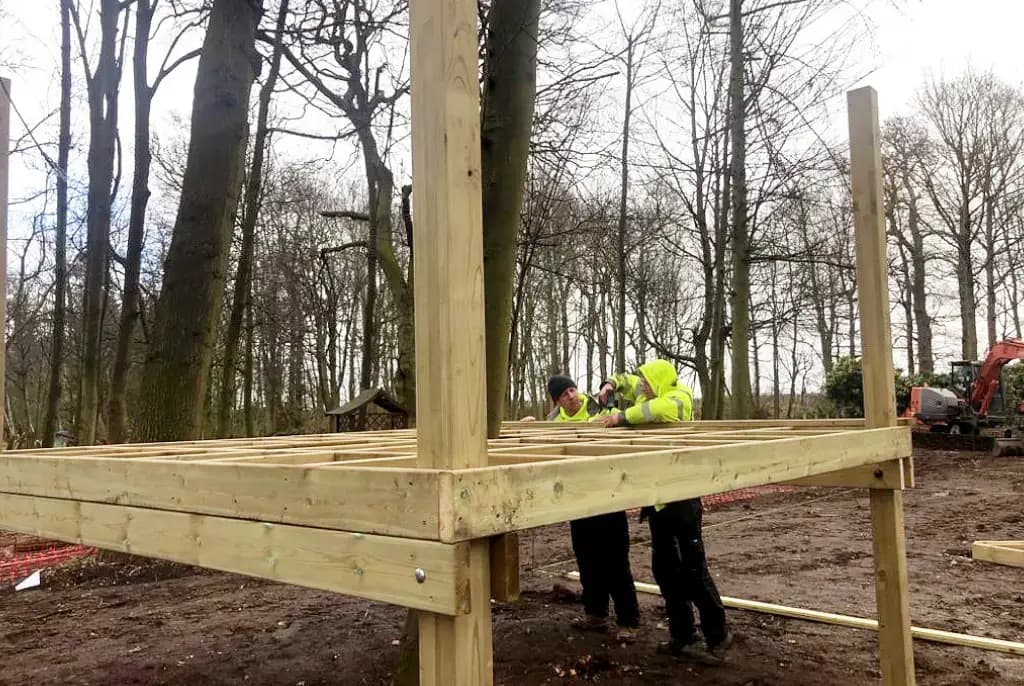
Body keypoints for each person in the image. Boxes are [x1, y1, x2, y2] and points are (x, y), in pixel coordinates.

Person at [594, 360, 733, 663]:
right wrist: (611, 384)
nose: (642, 385)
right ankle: (683, 635)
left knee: (693, 570)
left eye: (646, 381)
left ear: (658, 380)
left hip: (682, 497)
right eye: (642, 381)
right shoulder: (647, 393)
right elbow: (630, 384)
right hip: (658, 500)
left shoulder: (679, 397)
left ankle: (717, 634)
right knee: (665, 571)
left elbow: (654, 411)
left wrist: (621, 416)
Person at [546, 374, 641, 643]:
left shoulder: (598, 408)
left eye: (572, 390)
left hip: (608, 494)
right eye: (564, 394)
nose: (571, 396)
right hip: (578, 498)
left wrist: (610, 389)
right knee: (587, 559)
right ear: (557, 401)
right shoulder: (554, 421)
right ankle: (595, 614)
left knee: (616, 561)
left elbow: (622, 424)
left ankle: (628, 620)